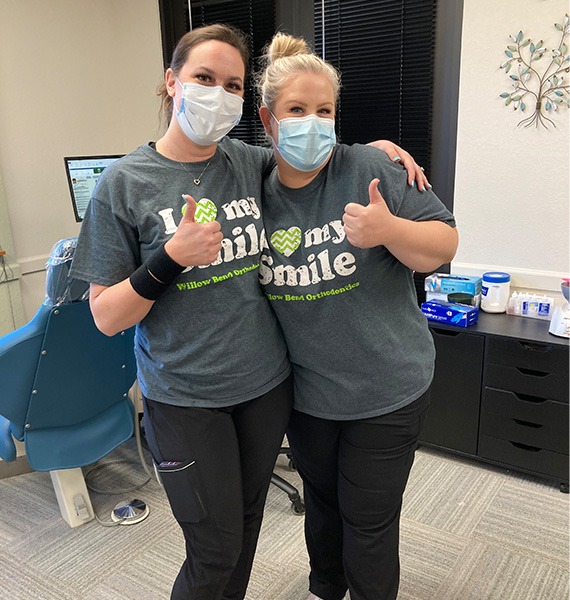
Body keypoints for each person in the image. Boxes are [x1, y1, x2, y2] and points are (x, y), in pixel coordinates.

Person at [70, 23, 427, 600]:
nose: (218, 94)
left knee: (246, 530)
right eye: (203, 78)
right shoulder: (123, 183)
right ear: (171, 82)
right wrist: (169, 259)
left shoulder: (245, 162)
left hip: (266, 388)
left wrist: (380, 151)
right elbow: (107, 316)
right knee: (213, 551)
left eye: (232, 84)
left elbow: (311, 149)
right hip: (187, 397)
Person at [256, 33, 459, 600]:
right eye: (297, 111)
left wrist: (388, 230)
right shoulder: (252, 188)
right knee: (321, 508)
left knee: (368, 523)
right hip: (308, 396)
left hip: (387, 388)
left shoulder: (368, 165)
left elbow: (442, 244)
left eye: (325, 111)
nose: (313, 123)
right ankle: (327, 589)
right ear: (269, 120)